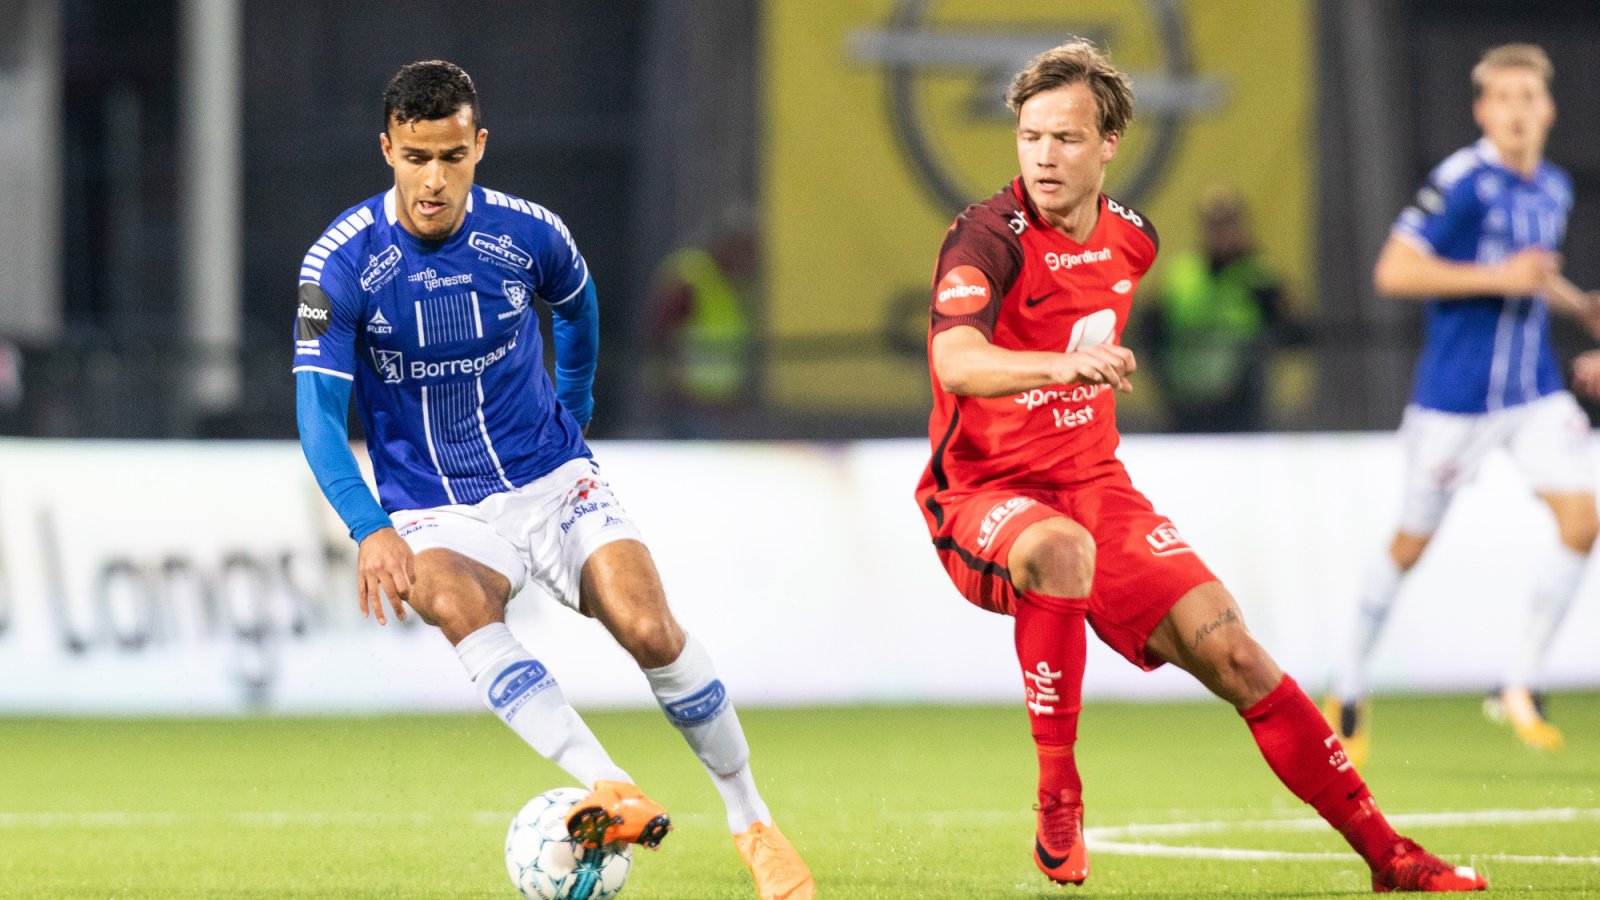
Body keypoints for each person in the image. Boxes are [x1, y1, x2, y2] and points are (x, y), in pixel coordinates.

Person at [914, 40, 1484, 892]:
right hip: (983, 495)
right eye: (1030, 137)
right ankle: (1059, 796)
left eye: (1066, 137)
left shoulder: (1133, 240)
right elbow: (956, 361)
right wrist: (1062, 368)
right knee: (1061, 550)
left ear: (1110, 143)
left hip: (1097, 489)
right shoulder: (987, 237)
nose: (1043, 156)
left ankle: (1390, 856)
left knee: (1239, 655)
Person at [291, 60, 812, 900]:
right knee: (451, 599)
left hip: (551, 474)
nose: (434, 180)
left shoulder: (529, 234)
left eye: (452, 156)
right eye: (417, 158)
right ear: (387, 149)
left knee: (649, 629)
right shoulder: (340, 264)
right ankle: (611, 785)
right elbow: (317, 415)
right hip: (433, 503)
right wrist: (369, 526)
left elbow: (578, 306)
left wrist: (574, 407)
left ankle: (753, 822)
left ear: (479, 146)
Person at [1326, 44, 1599, 764]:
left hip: (1533, 392)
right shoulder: (1461, 182)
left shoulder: (1554, 187)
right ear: (1481, 111)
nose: (1516, 111)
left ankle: (1520, 682)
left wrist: (1577, 305)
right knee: (1411, 543)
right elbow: (1394, 272)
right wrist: (1497, 276)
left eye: (1528, 97)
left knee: (1582, 520)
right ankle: (1348, 684)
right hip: (1455, 400)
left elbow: (1529, 274)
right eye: (1502, 98)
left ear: (1548, 109)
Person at [1144, 186, 1305, 432]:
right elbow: (1150, 331)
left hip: (1240, 408)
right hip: (1184, 405)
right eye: (1214, 225)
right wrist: (1163, 382)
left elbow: (1293, 333)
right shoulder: (1182, 272)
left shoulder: (1258, 275)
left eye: (1229, 224)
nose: (1222, 233)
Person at [645, 205, 758, 438]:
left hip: (723, 407)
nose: (748, 258)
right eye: (743, 248)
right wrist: (669, 379)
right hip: (688, 404)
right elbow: (660, 332)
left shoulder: (736, 284)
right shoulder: (692, 275)